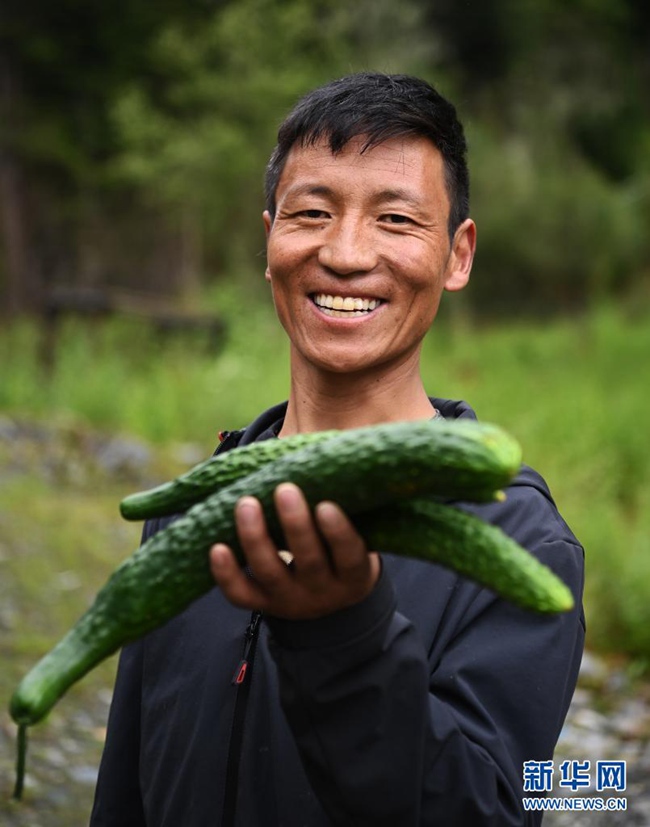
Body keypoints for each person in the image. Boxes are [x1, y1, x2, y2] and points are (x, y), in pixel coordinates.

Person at [90, 72, 585, 826]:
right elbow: (125, 787)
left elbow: (493, 810)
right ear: (270, 242)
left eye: (396, 220)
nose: (346, 253)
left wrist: (349, 636)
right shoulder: (196, 505)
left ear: (458, 255)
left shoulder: (520, 542)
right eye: (313, 212)